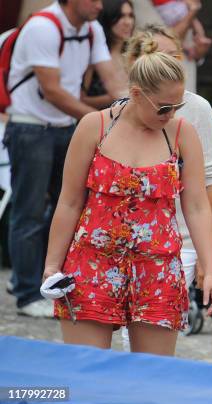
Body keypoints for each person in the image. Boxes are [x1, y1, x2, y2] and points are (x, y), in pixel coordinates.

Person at [43, 44, 212, 355]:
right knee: (86, 373)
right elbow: (69, 202)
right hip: (93, 263)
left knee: (151, 379)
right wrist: (51, 266)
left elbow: (196, 205)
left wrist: (211, 269)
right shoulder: (94, 127)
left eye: (177, 105)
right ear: (137, 94)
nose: (171, 114)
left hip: (158, 268)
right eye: (164, 108)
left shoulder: (181, 133)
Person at [4, 0, 123, 317]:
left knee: (69, 207)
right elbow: (53, 91)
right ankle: (27, 293)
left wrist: (128, 107)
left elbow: (112, 79)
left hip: (64, 128)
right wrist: (103, 122)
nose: (100, 5)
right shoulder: (43, 26)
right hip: (30, 126)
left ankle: (44, 279)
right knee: (28, 212)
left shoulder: (92, 28)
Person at [125, 25, 212, 290]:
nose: (169, 63)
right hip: (124, 244)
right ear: (137, 63)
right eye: (159, 55)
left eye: (175, 55)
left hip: (182, 242)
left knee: (156, 324)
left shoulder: (197, 109)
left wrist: (207, 256)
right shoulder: (116, 113)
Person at [82, 0, 135, 109]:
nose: (128, 22)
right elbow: (80, 100)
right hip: (96, 120)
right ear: (108, 18)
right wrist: (121, 95)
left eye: (130, 16)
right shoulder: (94, 56)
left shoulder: (133, 55)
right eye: (121, 16)